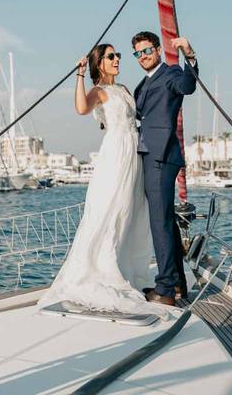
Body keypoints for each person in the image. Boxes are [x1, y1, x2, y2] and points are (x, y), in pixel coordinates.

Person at [37, 43, 167, 317]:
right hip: (116, 155)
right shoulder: (100, 91)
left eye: (118, 55)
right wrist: (80, 74)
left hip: (135, 155)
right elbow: (82, 108)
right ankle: (103, 271)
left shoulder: (124, 89)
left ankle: (125, 268)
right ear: (100, 64)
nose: (118, 58)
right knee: (113, 209)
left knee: (132, 212)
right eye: (111, 56)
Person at [131, 31, 198, 307]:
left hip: (162, 155)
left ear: (158, 49)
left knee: (159, 223)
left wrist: (189, 55)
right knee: (166, 222)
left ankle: (166, 290)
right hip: (149, 155)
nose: (143, 56)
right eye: (138, 53)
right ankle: (178, 284)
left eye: (147, 50)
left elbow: (188, 87)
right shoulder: (141, 84)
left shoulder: (170, 73)